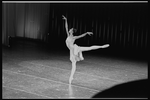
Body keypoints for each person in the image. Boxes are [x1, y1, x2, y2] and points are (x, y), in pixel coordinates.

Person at [62, 15, 109, 84]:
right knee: (74, 64)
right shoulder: (68, 35)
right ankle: (71, 77)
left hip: (75, 48)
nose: (69, 29)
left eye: (70, 29)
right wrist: (66, 20)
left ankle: (102, 46)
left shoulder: (74, 37)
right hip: (72, 51)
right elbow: (66, 27)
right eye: (69, 29)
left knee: (89, 48)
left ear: (72, 31)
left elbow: (81, 36)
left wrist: (86, 33)